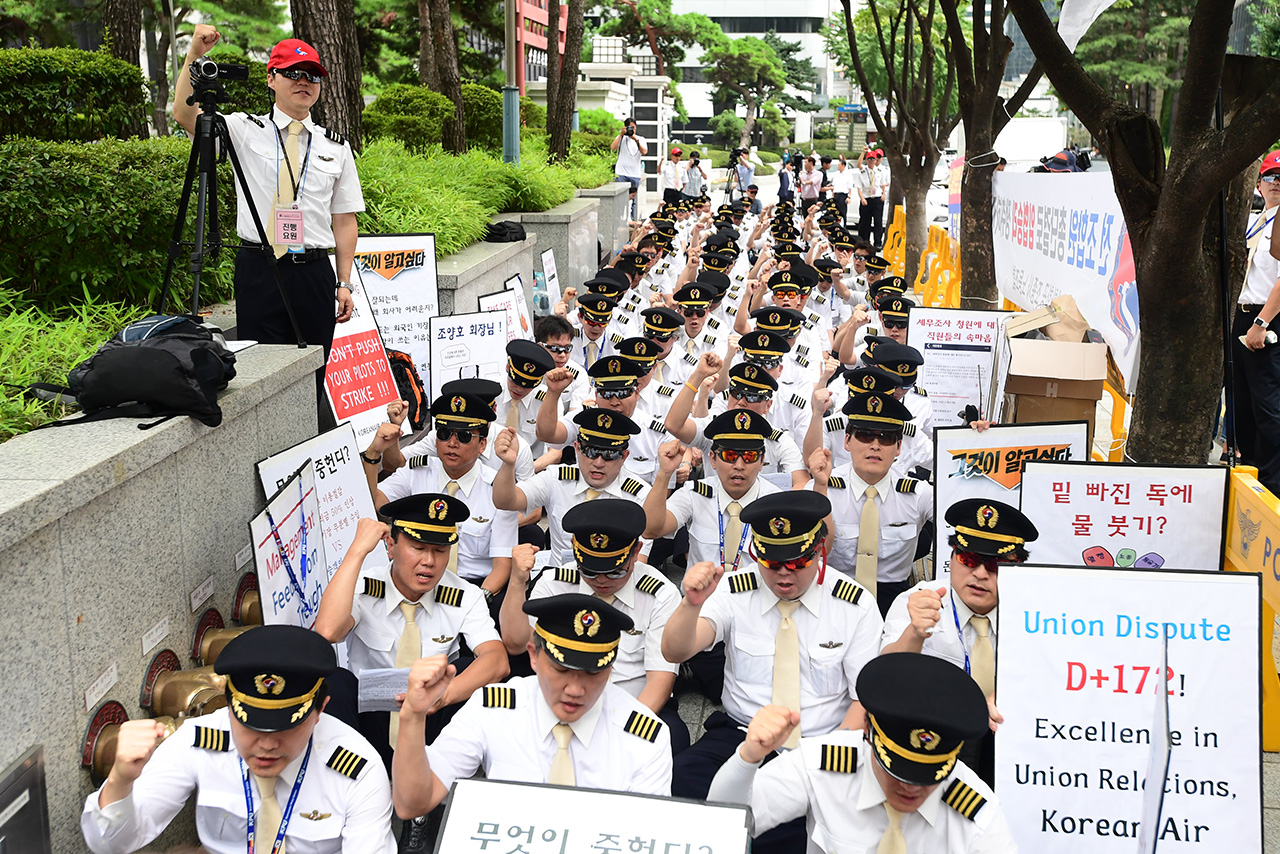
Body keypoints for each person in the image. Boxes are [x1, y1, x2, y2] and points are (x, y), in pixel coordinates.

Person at [661, 491, 883, 854]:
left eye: (797, 562)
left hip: (821, 741)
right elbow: (676, 649)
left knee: (809, 825)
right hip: (741, 732)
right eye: (771, 562)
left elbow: (863, 701)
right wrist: (690, 604)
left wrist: (829, 760)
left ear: (819, 551)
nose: (783, 573)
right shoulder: (736, 588)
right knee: (684, 783)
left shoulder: (853, 604)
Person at [81, 625, 395, 854]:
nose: (267, 743)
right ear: (229, 708)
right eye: (252, 726)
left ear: (319, 711)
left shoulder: (357, 768)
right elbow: (109, 844)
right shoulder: (200, 740)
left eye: (285, 727)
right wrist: (121, 781)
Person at [392, 593, 673, 818]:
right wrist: (413, 717)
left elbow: (646, 834)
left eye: (592, 673)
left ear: (611, 669)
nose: (575, 690)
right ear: (534, 657)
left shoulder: (644, 737)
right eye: (561, 670)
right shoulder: (494, 708)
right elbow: (413, 805)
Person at [707, 653, 1016, 853]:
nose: (911, 786)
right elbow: (725, 823)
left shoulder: (975, 811)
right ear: (867, 732)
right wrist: (749, 756)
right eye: (896, 769)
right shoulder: (827, 763)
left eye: (928, 776)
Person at [174, 25, 361, 356]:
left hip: (314, 273)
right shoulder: (244, 130)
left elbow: (344, 219)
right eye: (293, 72)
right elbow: (185, 115)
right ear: (271, 78)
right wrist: (195, 56)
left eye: (312, 75)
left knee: (313, 373)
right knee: (260, 369)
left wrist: (344, 283)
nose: (303, 81)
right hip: (260, 269)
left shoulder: (336, 146)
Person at [312, 493, 509, 767]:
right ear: (391, 546)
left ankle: (443, 776)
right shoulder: (364, 589)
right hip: (373, 714)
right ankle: (349, 778)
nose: (429, 561)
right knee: (335, 681)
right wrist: (357, 551)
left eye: (440, 551)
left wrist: (443, 696)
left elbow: (497, 660)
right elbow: (326, 633)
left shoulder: (465, 595)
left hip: (431, 714)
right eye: (418, 547)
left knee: (466, 669)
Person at [501, 500, 687, 750]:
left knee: (672, 738)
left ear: (636, 551)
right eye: (588, 570)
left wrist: (617, 738)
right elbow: (514, 644)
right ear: (574, 550)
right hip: (562, 699)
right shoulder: (555, 583)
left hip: (631, 705)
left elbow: (659, 681)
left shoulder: (660, 594)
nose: (600, 580)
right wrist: (516, 582)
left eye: (615, 572)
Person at [880, 498, 1039, 786]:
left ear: (1018, 567)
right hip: (932, 748)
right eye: (968, 559)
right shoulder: (919, 600)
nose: (979, 574)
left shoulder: (1036, 615)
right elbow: (885, 678)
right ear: (952, 558)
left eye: (994, 564)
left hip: (1012, 751)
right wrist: (914, 633)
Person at [368, 392, 518, 605]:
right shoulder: (417, 471)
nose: (452, 443)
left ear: (482, 444)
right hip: (416, 582)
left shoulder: (499, 491)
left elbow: (502, 566)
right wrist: (374, 453)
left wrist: (473, 603)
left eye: (464, 436)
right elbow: (374, 501)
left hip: (473, 587)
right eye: (445, 433)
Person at [808, 391, 932, 616]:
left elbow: (961, 507)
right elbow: (813, 553)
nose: (875, 446)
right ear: (847, 441)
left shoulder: (917, 494)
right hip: (832, 598)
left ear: (898, 448)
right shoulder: (823, 485)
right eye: (865, 436)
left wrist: (977, 443)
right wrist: (819, 489)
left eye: (885, 438)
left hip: (893, 603)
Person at [495, 407, 653, 565]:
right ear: (577, 448)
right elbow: (506, 501)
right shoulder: (556, 478)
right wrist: (508, 465)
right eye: (590, 452)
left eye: (609, 455)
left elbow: (639, 561)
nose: (598, 463)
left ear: (624, 456)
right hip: (561, 580)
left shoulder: (640, 495)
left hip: (613, 581)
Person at [1233, 149, 1280, 495]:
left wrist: (1262, 322)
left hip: (1267, 319)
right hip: (1243, 317)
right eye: (1270, 177)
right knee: (1242, 402)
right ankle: (1247, 470)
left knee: (1268, 406)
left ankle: (1272, 483)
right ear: (1259, 183)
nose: (1276, 184)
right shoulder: (1255, 219)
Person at [612, 117, 648, 219]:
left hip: (635, 174)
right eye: (629, 127)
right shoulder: (622, 138)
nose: (632, 130)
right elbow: (613, 148)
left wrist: (635, 139)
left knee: (634, 200)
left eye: (633, 127)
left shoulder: (641, 139)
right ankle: (619, 218)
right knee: (620, 199)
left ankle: (632, 221)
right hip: (621, 172)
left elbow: (644, 152)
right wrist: (621, 134)